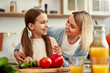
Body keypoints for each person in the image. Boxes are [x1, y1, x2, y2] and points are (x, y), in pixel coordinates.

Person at [14, 11, 93, 67]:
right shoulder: (54, 32)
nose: (67, 26)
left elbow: (72, 67)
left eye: (72, 26)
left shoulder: (84, 47)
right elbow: (33, 37)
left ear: (82, 31)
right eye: (67, 22)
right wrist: (16, 51)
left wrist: (60, 57)